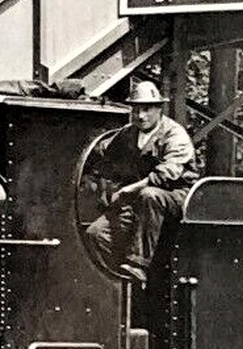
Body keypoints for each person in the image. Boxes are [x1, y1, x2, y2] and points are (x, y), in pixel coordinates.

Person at [83, 81, 200, 282]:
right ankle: (120, 279)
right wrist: (103, 188)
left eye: (146, 109)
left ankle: (138, 264)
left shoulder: (175, 134)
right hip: (139, 202)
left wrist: (130, 189)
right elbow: (105, 158)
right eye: (136, 110)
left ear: (159, 109)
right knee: (96, 233)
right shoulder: (128, 134)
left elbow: (165, 175)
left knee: (150, 194)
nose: (140, 115)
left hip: (178, 198)